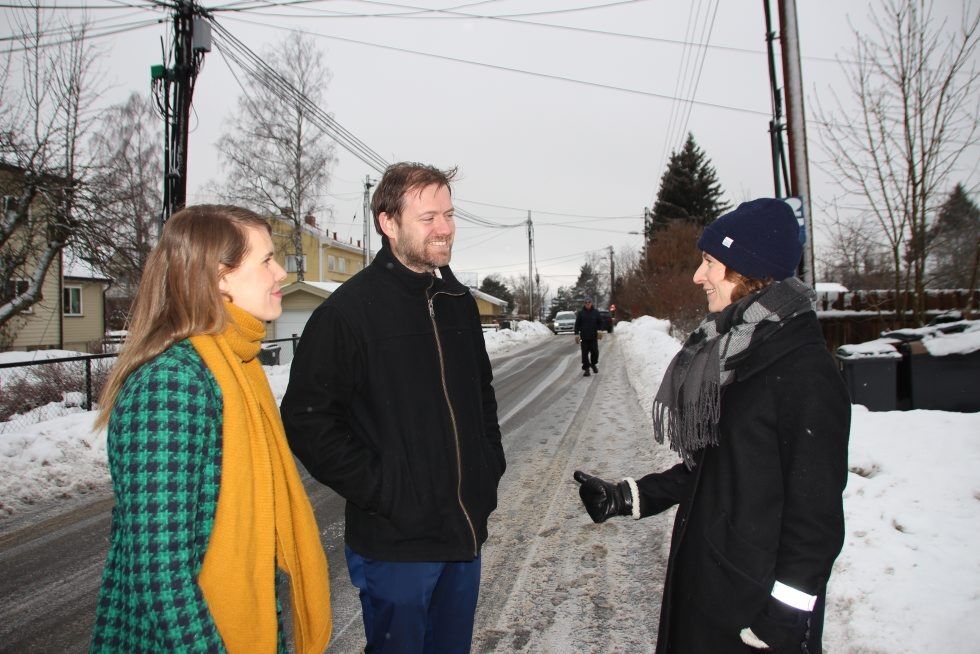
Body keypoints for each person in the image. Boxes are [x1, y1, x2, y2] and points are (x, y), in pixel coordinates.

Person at [573, 198, 850, 653]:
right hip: (712, 586)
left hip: (750, 614)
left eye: (709, 263)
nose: (698, 276)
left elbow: (815, 523)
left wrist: (781, 623)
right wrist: (629, 495)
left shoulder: (804, 374)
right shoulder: (738, 352)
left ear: (748, 271)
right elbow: (716, 468)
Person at [281, 162, 505, 654]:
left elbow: (482, 395)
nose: (445, 228)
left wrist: (489, 466)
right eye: (428, 218)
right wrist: (384, 490)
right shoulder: (346, 313)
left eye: (448, 214)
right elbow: (307, 419)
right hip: (396, 545)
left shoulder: (458, 302)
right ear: (388, 222)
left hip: (462, 535)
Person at [91, 205, 332, 653]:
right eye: (265, 260)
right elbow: (160, 573)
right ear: (220, 277)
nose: (279, 271)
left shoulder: (238, 365)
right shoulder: (171, 383)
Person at [574, 297, 601, 376]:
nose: (588, 304)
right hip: (583, 338)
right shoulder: (581, 313)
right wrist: (576, 334)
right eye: (586, 303)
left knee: (595, 353)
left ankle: (593, 364)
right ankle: (586, 369)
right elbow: (577, 324)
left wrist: (599, 330)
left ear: (591, 303)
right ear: (584, 304)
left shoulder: (596, 312)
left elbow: (600, 322)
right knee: (584, 354)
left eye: (589, 302)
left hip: (593, 337)